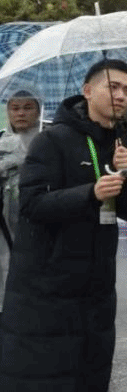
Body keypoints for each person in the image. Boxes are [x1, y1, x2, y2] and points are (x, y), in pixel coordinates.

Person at [0, 59, 127, 392]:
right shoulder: (52, 141)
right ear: (87, 91)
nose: (122, 96)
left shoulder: (124, 144)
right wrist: (90, 193)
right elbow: (32, 205)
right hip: (44, 295)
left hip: (95, 294)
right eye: (113, 87)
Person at [0, 90, 42, 302]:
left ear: (38, 111)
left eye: (28, 107)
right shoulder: (1, 140)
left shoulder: (48, 140)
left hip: (36, 218)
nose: (21, 113)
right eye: (15, 108)